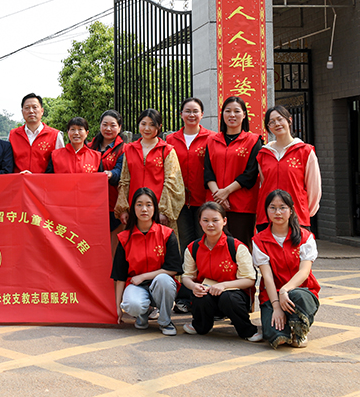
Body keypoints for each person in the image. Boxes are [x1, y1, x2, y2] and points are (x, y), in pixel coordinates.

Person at [181, 202, 261, 342]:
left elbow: (250, 280)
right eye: (206, 220)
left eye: (215, 220)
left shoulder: (236, 247)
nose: (210, 224)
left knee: (227, 298)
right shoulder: (193, 248)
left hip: (233, 294)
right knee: (200, 296)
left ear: (224, 221)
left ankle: (247, 330)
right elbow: (187, 276)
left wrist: (224, 286)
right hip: (208, 292)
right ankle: (201, 326)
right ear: (200, 222)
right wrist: (194, 286)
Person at [253, 189, 321, 349]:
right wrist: (276, 306)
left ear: (291, 210)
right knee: (277, 337)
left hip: (301, 292)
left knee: (296, 295)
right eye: (272, 208)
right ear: (266, 211)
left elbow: (304, 272)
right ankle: (285, 326)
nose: (278, 212)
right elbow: (267, 277)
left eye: (282, 207)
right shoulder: (259, 240)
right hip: (272, 296)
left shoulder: (305, 237)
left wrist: (284, 290)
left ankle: (300, 330)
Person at [112, 188, 183, 336]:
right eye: (139, 205)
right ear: (133, 208)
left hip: (160, 286)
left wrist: (144, 276)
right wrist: (118, 307)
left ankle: (165, 321)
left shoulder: (166, 234)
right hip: (136, 286)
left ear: (155, 208)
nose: (144, 209)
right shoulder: (124, 238)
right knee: (132, 304)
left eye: (148, 205)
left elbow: (173, 268)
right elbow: (120, 276)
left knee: (164, 280)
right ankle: (143, 313)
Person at [204, 96, 264, 248]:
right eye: (228, 111)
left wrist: (226, 192)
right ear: (222, 114)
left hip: (242, 205)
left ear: (244, 115)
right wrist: (218, 196)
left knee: (240, 247)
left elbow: (250, 174)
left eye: (237, 111)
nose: (232, 115)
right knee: (215, 247)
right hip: (215, 204)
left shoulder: (253, 141)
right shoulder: (212, 140)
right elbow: (208, 172)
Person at [115, 109, 184, 231]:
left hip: (158, 209)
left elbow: (173, 182)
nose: (147, 128)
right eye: (143, 124)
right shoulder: (129, 149)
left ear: (159, 126)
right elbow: (125, 180)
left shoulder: (167, 150)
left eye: (152, 125)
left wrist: (164, 210)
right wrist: (123, 208)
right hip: (135, 208)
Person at [257, 105, 322, 230]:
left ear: (289, 120)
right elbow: (263, 185)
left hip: (296, 216)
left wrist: (304, 211)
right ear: (268, 127)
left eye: (280, 119)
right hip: (267, 217)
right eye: (271, 122)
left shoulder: (305, 151)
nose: (277, 124)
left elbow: (314, 188)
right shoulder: (263, 154)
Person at [166, 98, 214, 249]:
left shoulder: (211, 138)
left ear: (202, 114)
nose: (191, 115)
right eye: (187, 111)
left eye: (195, 111)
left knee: (204, 239)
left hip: (204, 198)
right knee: (184, 242)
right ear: (181, 114)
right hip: (179, 201)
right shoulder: (170, 139)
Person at [8, 93, 64, 174]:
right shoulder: (13, 135)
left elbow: (60, 165)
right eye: (27, 108)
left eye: (35, 107)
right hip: (19, 181)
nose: (31, 111)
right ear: (22, 112)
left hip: (44, 181)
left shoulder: (55, 135)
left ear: (42, 111)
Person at [91, 110, 126, 231]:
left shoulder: (124, 149)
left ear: (119, 128)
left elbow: (121, 171)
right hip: (90, 202)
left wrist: (111, 174)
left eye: (113, 125)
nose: (108, 129)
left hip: (112, 202)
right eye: (105, 124)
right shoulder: (90, 146)